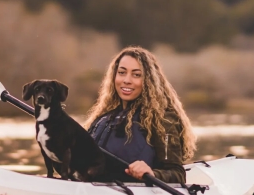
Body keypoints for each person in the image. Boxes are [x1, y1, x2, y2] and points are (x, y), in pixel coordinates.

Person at [84, 46, 196, 183]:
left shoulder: (164, 120)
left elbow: (177, 174)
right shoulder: (103, 118)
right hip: (95, 189)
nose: (127, 80)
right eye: (122, 73)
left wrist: (152, 174)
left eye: (136, 75)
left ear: (148, 81)